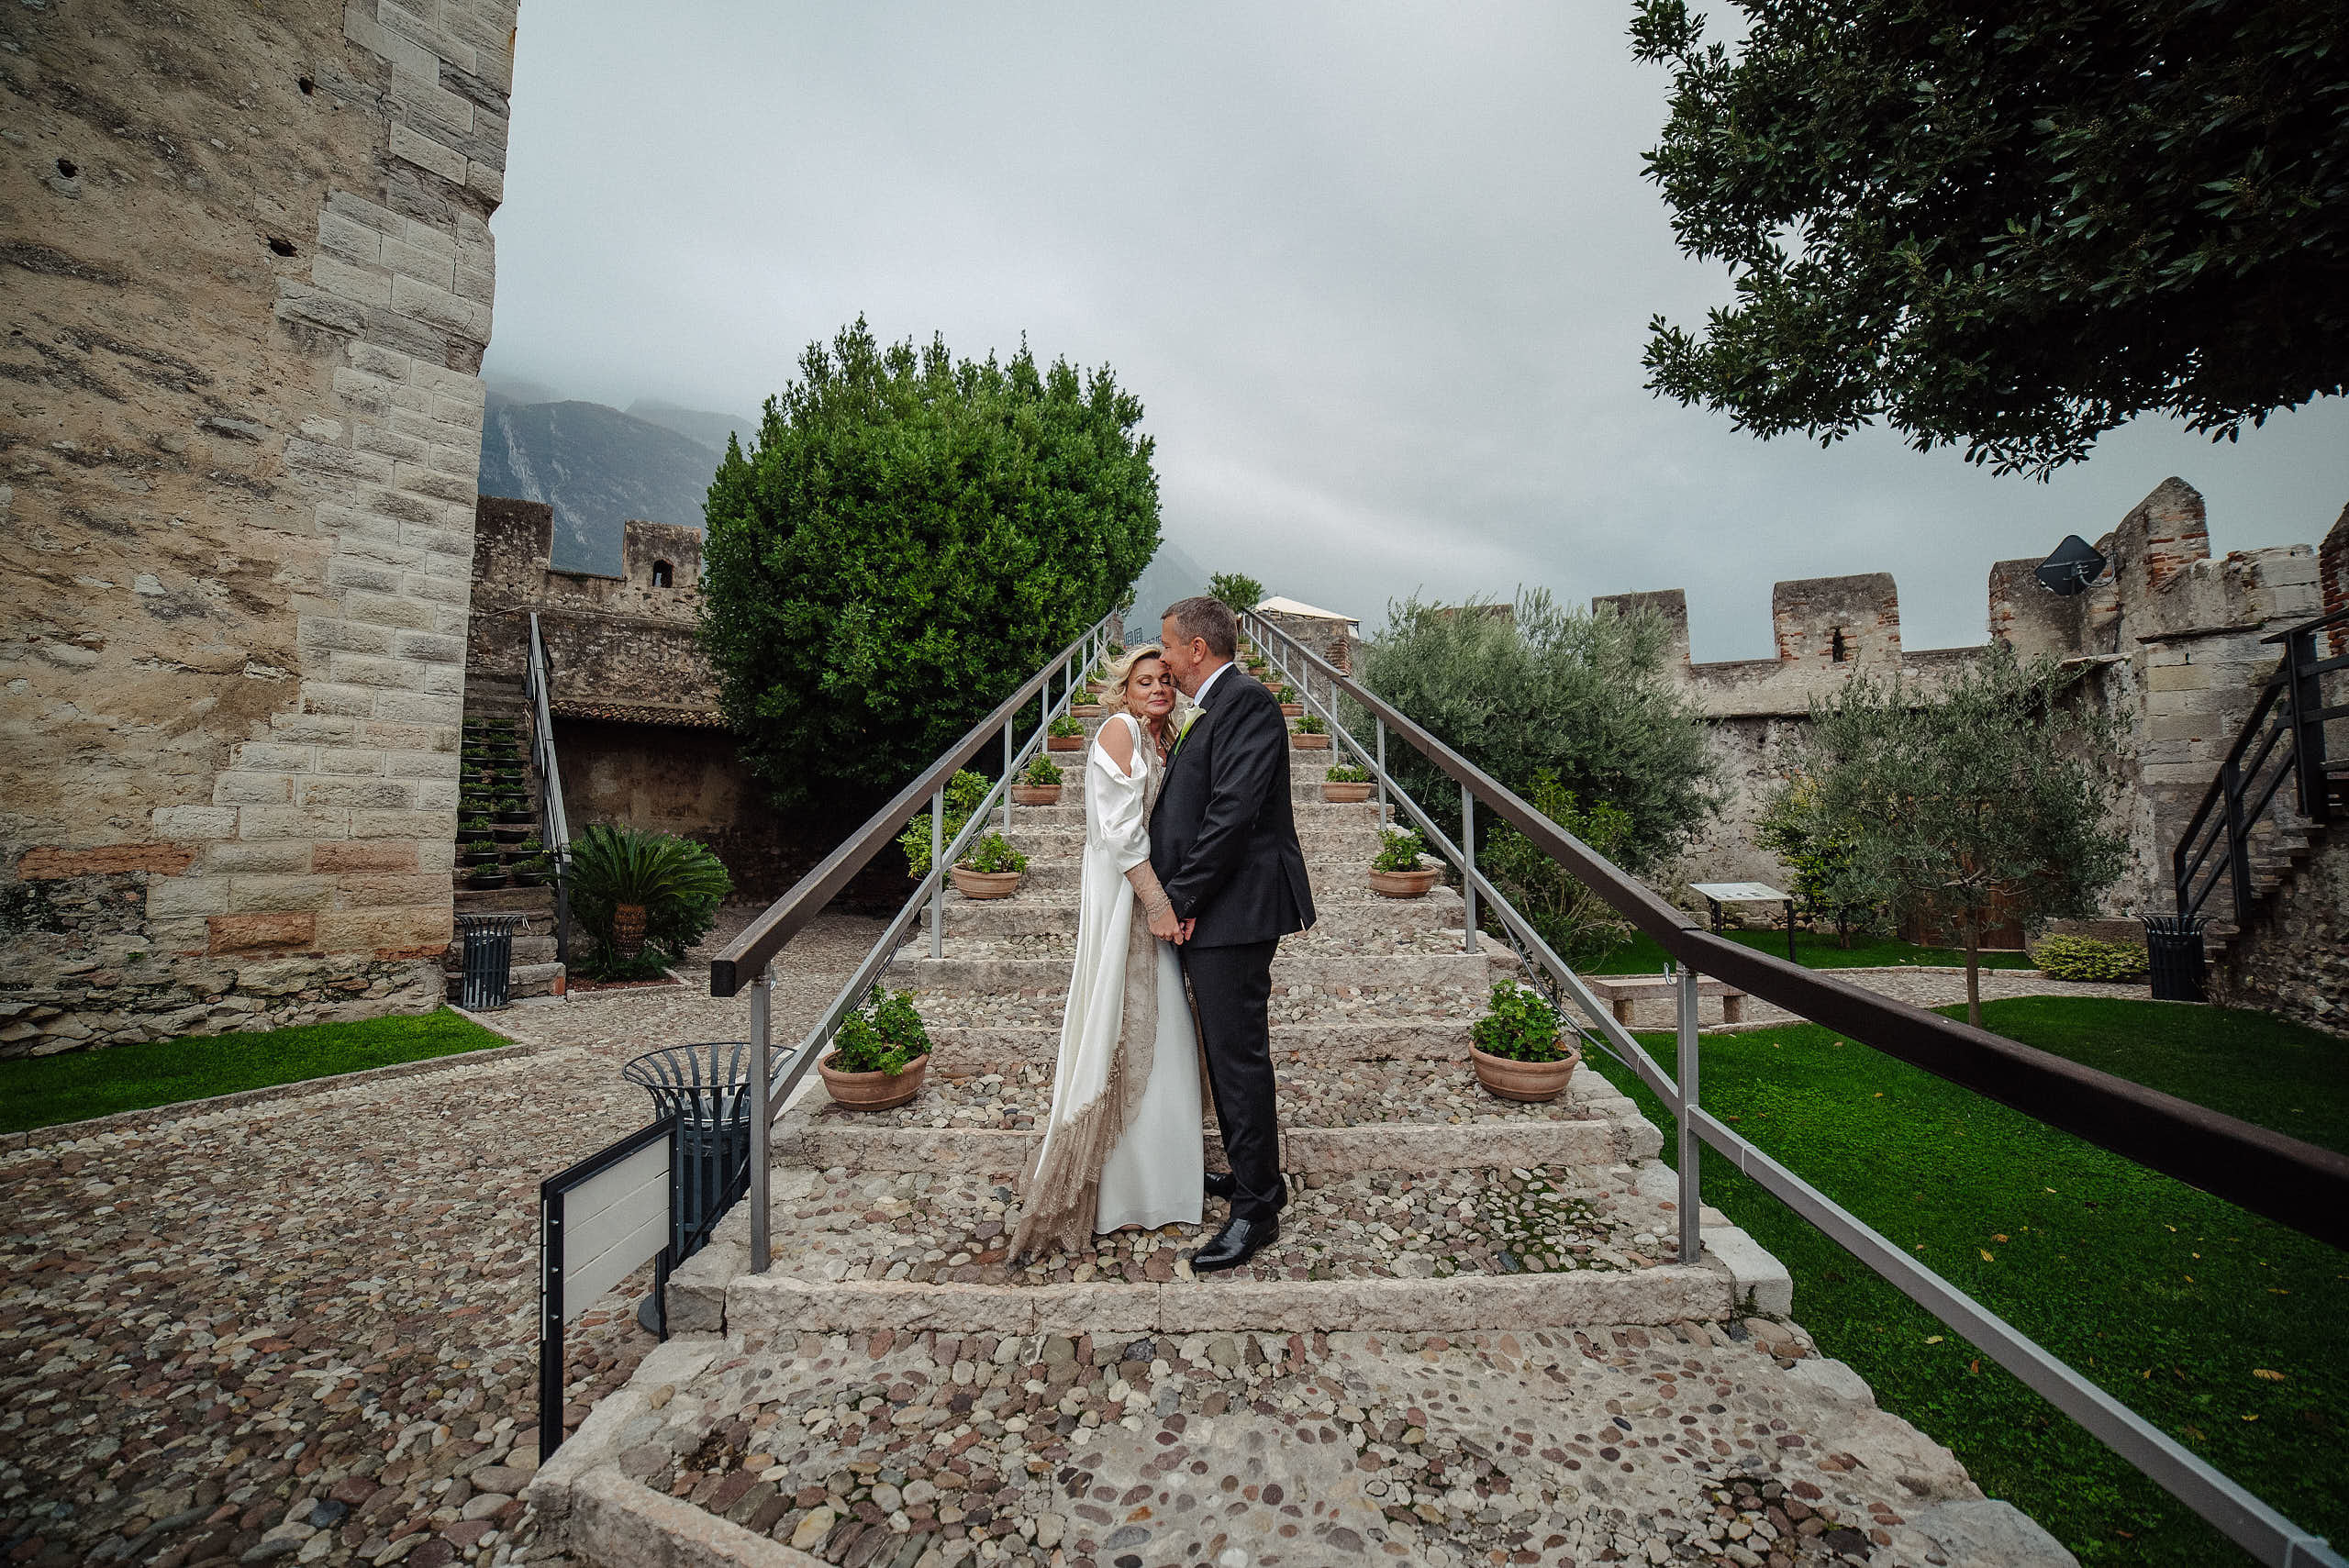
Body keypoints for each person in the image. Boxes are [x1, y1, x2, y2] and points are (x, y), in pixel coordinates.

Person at [1010, 647, 1205, 1259]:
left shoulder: (1164, 736)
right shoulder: (1119, 731)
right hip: (1123, 893)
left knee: (1165, 1029)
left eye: (1167, 680)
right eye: (1145, 680)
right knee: (1116, 1026)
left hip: (1148, 887)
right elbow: (1119, 832)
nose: (1157, 688)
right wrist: (1156, 902)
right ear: (1125, 690)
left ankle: (1163, 1186)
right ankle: (1116, 1192)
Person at [1151, 595, 1316, 1273]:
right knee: (1226, 1053)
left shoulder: (1246, 701)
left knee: (1239, 1055)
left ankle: (1256, 1208)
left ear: (1197, 649)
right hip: (1220, 906)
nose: (1160, 657)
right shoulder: (1213, 707)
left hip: (1235, 907)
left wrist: (1181, 896)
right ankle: (1253, 1174)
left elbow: (1232, 813)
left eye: (1167, 644)